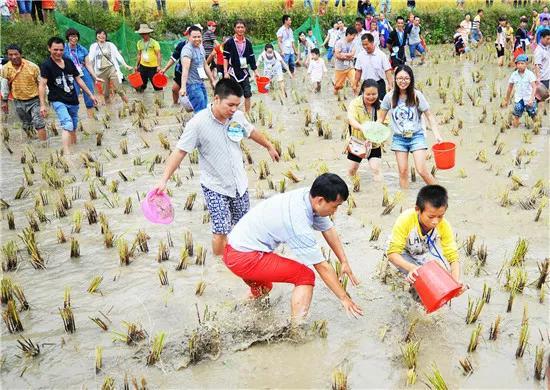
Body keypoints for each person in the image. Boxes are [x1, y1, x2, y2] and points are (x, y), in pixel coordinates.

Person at [154, 79, 280, 256]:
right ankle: (220, 266)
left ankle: (239, 262)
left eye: (237, 105)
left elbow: (251, 132)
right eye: (230, 105)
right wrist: (163, 180)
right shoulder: (198, 124)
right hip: (215, 186)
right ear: (216, 99)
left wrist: (269, 146)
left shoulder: (237, 117)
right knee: (221, 231)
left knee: (242, 227)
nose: (234, 109)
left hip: (239, 184)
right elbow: (179, 152)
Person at [224, 173, 363, 324]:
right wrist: (344, 298)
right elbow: (321, 266)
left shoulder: (307, 196)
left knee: (264, 289)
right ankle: (296, 331)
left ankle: (235, 315)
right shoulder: (298, 221)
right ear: (320, 201)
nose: (335, 211)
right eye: (335, 206)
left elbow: (328, 229)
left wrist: (344, 261)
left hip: (233, 251)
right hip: (245, 257)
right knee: (305, 276)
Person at [386, 185, 465, 293]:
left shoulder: (444, 225)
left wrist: (455, 283)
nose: (435, 221)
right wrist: (411, 268)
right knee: (420, 280)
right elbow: (392, 253)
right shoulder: (405, 220)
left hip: (420, 253)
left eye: (440, 216)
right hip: (401, 253)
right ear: (418, 209)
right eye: (431, 217)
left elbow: (453, 257)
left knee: (440, 281)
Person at [378, 65, 442, 189]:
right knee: (402, 172)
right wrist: (371, 137)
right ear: (395, 79)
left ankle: (441, 195)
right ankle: (405, 201)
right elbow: (380, 119)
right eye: (400, 78)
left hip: (416, 137)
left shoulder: (417, 95)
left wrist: (437, 135)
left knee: (421, 170)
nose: (403, 81)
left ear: (411, 79)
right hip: (399, 138)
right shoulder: (389, 97)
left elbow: (429, 116)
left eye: (406, 78)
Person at [39, 37, 98, 155]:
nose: (58, 52)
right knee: (67, 123)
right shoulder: (46, 65)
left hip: (73, 99)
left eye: (61, 50)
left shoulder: (69, 62)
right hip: (57, 100)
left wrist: (91, 95)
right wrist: (43, 105)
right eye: (55, 49)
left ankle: (74, 148)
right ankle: (67, 154)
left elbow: (78, 80)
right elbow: (42, 84)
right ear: (49, 48)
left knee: (74, 125)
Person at [1, 44, 46, 140]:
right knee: (26, 124)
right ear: (7, 56)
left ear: (21, 54)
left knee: (39, 123)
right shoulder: (5, 69)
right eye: (10, 55)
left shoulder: (32, 67)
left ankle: (44, 145)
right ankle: (33, 143)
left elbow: (41, 84)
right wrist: (4, 101)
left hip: (34, 100)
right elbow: (4, 86)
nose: (13, 57)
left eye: (16, 54)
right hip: (18, 101)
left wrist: (44, 102)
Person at [346, 79, 383, 180]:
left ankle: (378, 193)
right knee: (351, 170)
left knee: (376, 170)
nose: (371, 97)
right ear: (362, 92)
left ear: (378, 93)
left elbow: (382, 122)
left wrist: (371, 136)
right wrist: (362, 128)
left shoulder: (381, 105)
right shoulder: (355, 103)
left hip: (374, 144)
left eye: (374, 94)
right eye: (368, 94)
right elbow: (351, 119)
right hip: (357, 142)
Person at [63, 28, 101, 119]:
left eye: (76, 36)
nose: (74, 38)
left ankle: (91, 121)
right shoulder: (63, 49)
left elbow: (88, 64)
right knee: (73, 97)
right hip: (71, 75)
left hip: (83, 72)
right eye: (72, 36)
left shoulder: (82, 49)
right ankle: (74, 119)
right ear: (68, 38)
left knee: (89, 96)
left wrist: (95, 76)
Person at [223, 20, 259, 113]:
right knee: (234, 95)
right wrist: (225, 72)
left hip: (244, 71)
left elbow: (252, 58)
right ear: (234, 29)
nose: (240, 29)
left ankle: (247, 114)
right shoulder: (229, 43)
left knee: (248, 94)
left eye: (242, 27)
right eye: (238, 27)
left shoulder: (248, 43)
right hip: (233, 72)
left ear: (245, 29)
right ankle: (233, 114)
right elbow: (225, 58)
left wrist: (255, 71)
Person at [89, 29, 132, 105]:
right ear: (96, 36)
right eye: (99, 34)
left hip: (111, 69)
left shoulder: (110, 45)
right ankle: (110, 110)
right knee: (105, 94)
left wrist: (125, 65)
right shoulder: (93, 46)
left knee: (119, 90)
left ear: (106, 36)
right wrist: (90, 72)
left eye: (103, 34)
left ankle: (128, 106)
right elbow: (90, 59)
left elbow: (118, 55)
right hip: (100, 71)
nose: (101, 36)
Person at [180, 25, 216, 113]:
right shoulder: (187, 50)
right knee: (200, 112)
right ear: (189, 37)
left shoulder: (200, 47)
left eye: (199, 37)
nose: (197, 39)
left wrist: (212, 80)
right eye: (194, 37)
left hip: (201, 82)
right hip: (192, 85)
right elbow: (185, 70)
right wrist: (183, 87)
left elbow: (205, 64)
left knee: (204, 108)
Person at [354, 32, 393, 100]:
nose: (365, 47)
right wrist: (355, 84)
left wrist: (390, 84)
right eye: (363, 45)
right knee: (362, 103)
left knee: (380, 105)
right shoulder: (360, 55)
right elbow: (358, 71)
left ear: (372, 42)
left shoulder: (381, 55)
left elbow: (387, 70)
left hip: (379, 84)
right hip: (366, 83)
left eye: (366, 44)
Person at [502, 54, 538, 128]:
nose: (520, 65)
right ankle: (515, 131)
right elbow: (510, 88)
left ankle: (537, 127)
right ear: (516, 65)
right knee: (517, 114)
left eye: (522, 63)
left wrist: (531, 99)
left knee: (533, 114)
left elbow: (534, 87)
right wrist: (507, 99)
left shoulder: (530, 74)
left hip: (528, 98)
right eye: (518, 63)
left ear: (526, 64)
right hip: (519, 99)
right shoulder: (514, 75)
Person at [160, 27, 189, 105]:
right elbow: (173, 58)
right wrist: (165, 69)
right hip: (181, 71)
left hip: (192, 74)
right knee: (174, 89)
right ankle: (175, 104)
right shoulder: (181, 45)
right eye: (188, 34)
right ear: (187, 35)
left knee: (189, 93)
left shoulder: (199, 46)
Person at [135, 23, 162, 93]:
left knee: (157, 85)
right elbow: (139, 54)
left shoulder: (154, 43)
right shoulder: (139, 43)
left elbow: (158, 54)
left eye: (145, 33)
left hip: (153, 67)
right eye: (142, 34)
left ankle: (160, 100)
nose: (144, 35)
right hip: (143, 66)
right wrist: (136, 65)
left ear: (148, 33)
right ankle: (141, 99)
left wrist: (158, 66)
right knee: (141, 85)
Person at [333, 27, 356, 95]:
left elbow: (352, 54)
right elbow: (337, 55)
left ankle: (358, 99)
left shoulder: (353, 43)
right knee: (338, 86)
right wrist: (349, 57)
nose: (354, 37)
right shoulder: (339, 42)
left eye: (355, 36)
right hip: (340, 68)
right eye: (353, 35)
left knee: (355, 83)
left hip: (350, 67)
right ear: (348, 34)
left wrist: (343, 54)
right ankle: (336, 99)